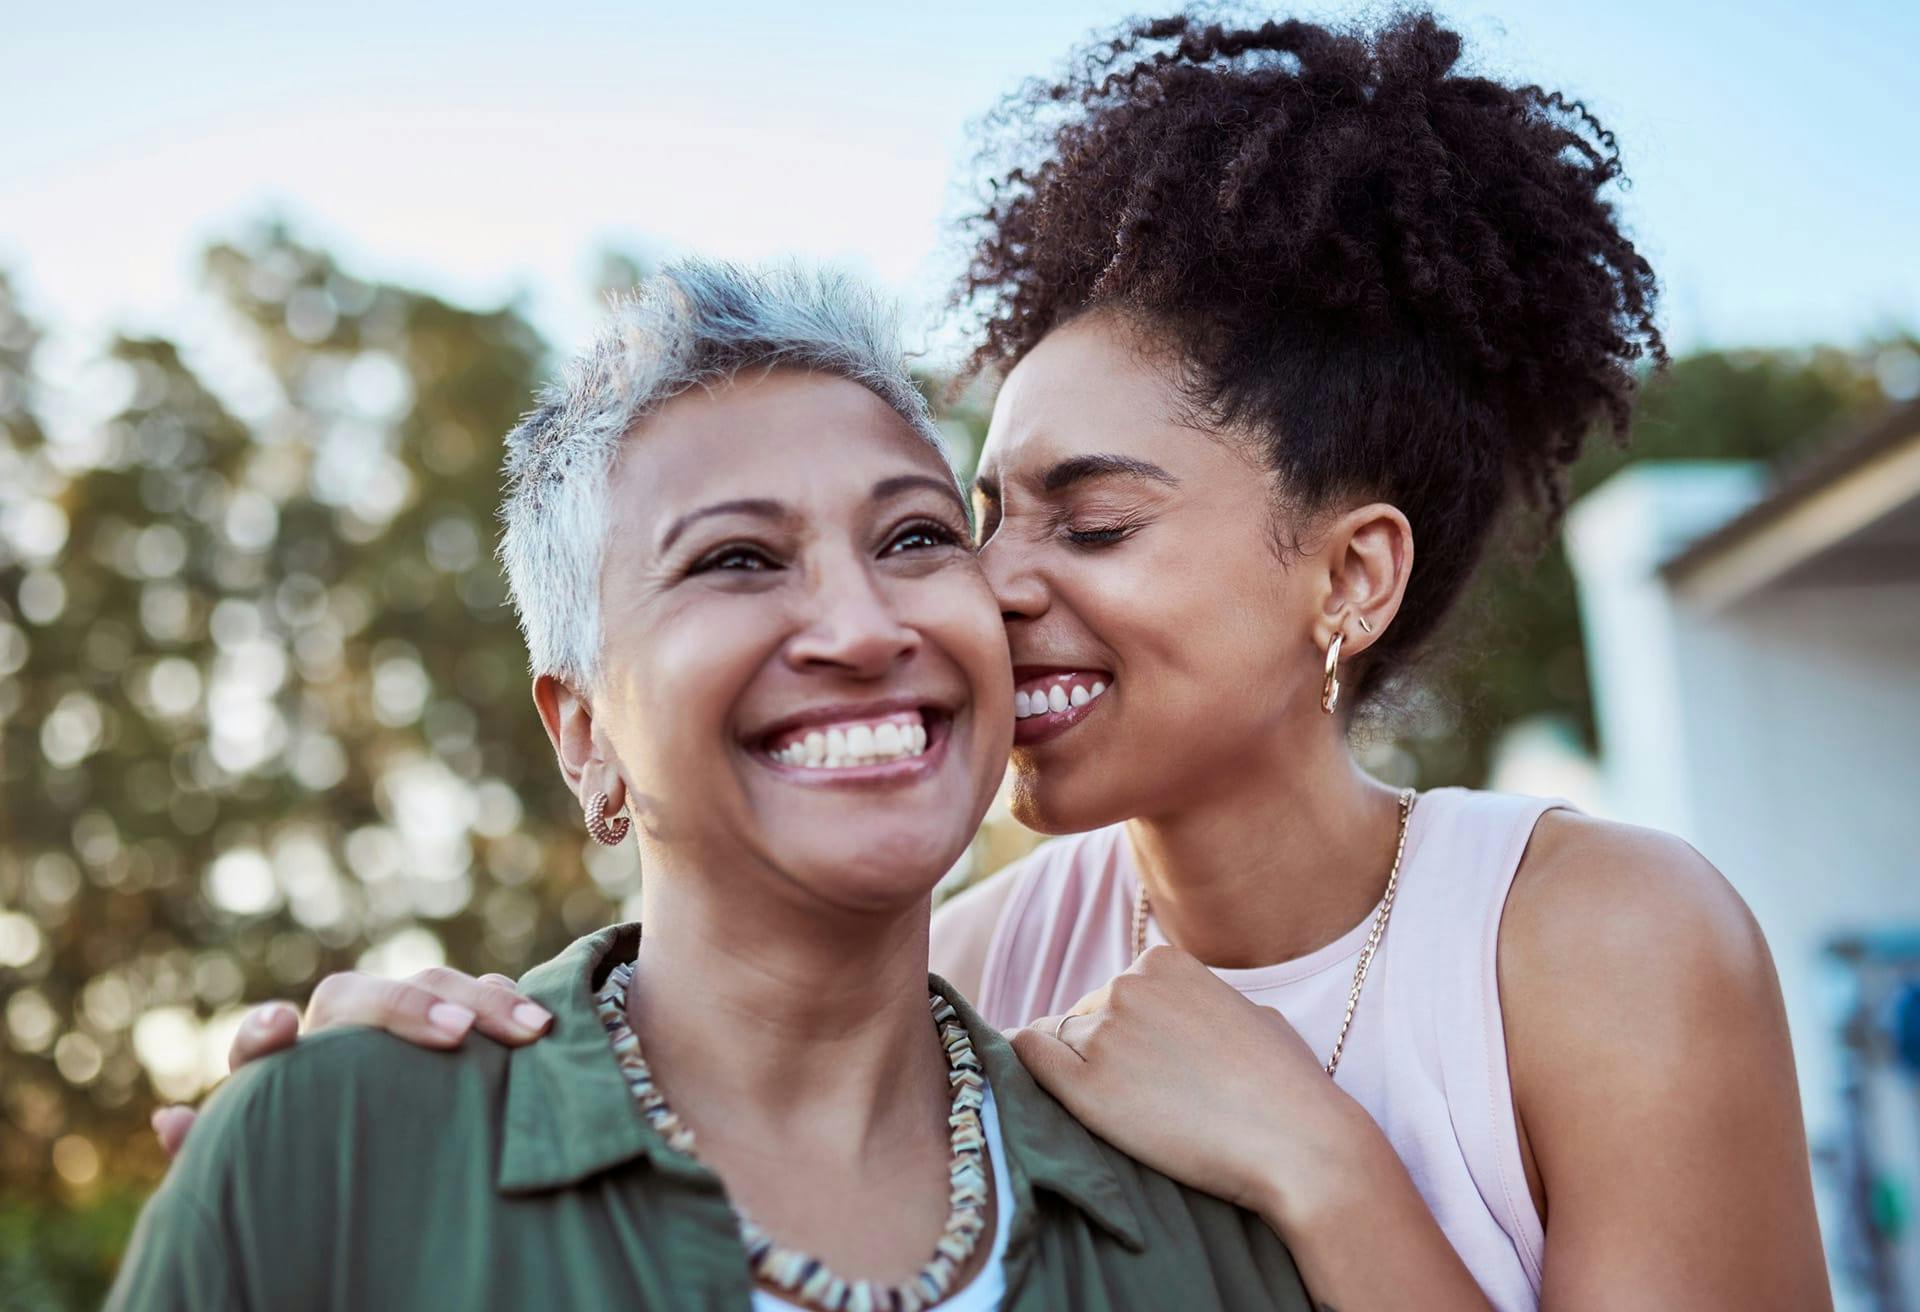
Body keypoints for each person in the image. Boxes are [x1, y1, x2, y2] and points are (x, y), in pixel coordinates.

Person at [156, 10, 1832, 1310]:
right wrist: (380, 1067)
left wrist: (1331, 1177)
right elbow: (705, 1011)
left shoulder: (1602, 942)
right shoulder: (977, 972)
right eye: (975, 518)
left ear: (1350, 574)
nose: (984, 592)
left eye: (1092, 526)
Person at [111, 261, 1311, 1311]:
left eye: (913, 539)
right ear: (585, 734)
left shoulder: (1194, 1208)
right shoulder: (335, 1160)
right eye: (736, 559)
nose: (861, 625)